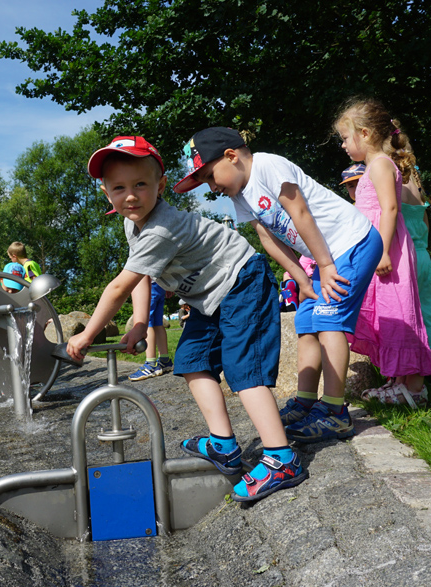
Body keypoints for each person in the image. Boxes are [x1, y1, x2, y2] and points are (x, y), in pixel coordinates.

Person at [68, 135, 307, 502]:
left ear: (160, 185)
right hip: (206, 298)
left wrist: (87, 336)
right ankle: (224, 444)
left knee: (243, 368)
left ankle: (281, 457)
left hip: (241, 280)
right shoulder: (133, 224)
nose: (130, 195)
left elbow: (118, 286)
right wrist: (137, 321)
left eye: (140, 185)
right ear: (106, 192)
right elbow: (141, 276)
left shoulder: (161, 227)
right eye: (119, 188)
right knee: (192, 359)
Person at [175, 126, 380, 443]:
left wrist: (324, 265)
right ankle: (306, 401)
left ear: (231, 156)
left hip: (350, 243)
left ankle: (336, 413)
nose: (213, 187)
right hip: (326, 257)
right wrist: (301, 278)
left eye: (212, 177)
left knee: (329, 321)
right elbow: (268, 239)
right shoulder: (241, 195)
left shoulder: (268, 166)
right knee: (306, 321)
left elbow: (299, 212)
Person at [335, 98, 431, 407]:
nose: (343, 145)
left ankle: (416, 387)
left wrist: (380, 252)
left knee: (399, 314)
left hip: (387, 250)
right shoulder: (373, 166)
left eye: (344, 137)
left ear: (364, 134)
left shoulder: (380, 164)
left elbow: (390, 209)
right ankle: (399, 381)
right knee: (388, 315)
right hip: (379, 248)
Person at [400, 167, 431, 384]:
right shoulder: (417, 187)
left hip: (403, 255)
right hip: (422, 255)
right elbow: (426, 225)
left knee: (405, 315)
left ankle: (407, 370)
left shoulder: (390, 180)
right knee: (429, 313)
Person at [128, 280, 174, 381]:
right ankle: (165, 360)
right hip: (160, 284)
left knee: (147, 323)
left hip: (147, 284)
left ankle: (151, 364)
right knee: (158, 323)